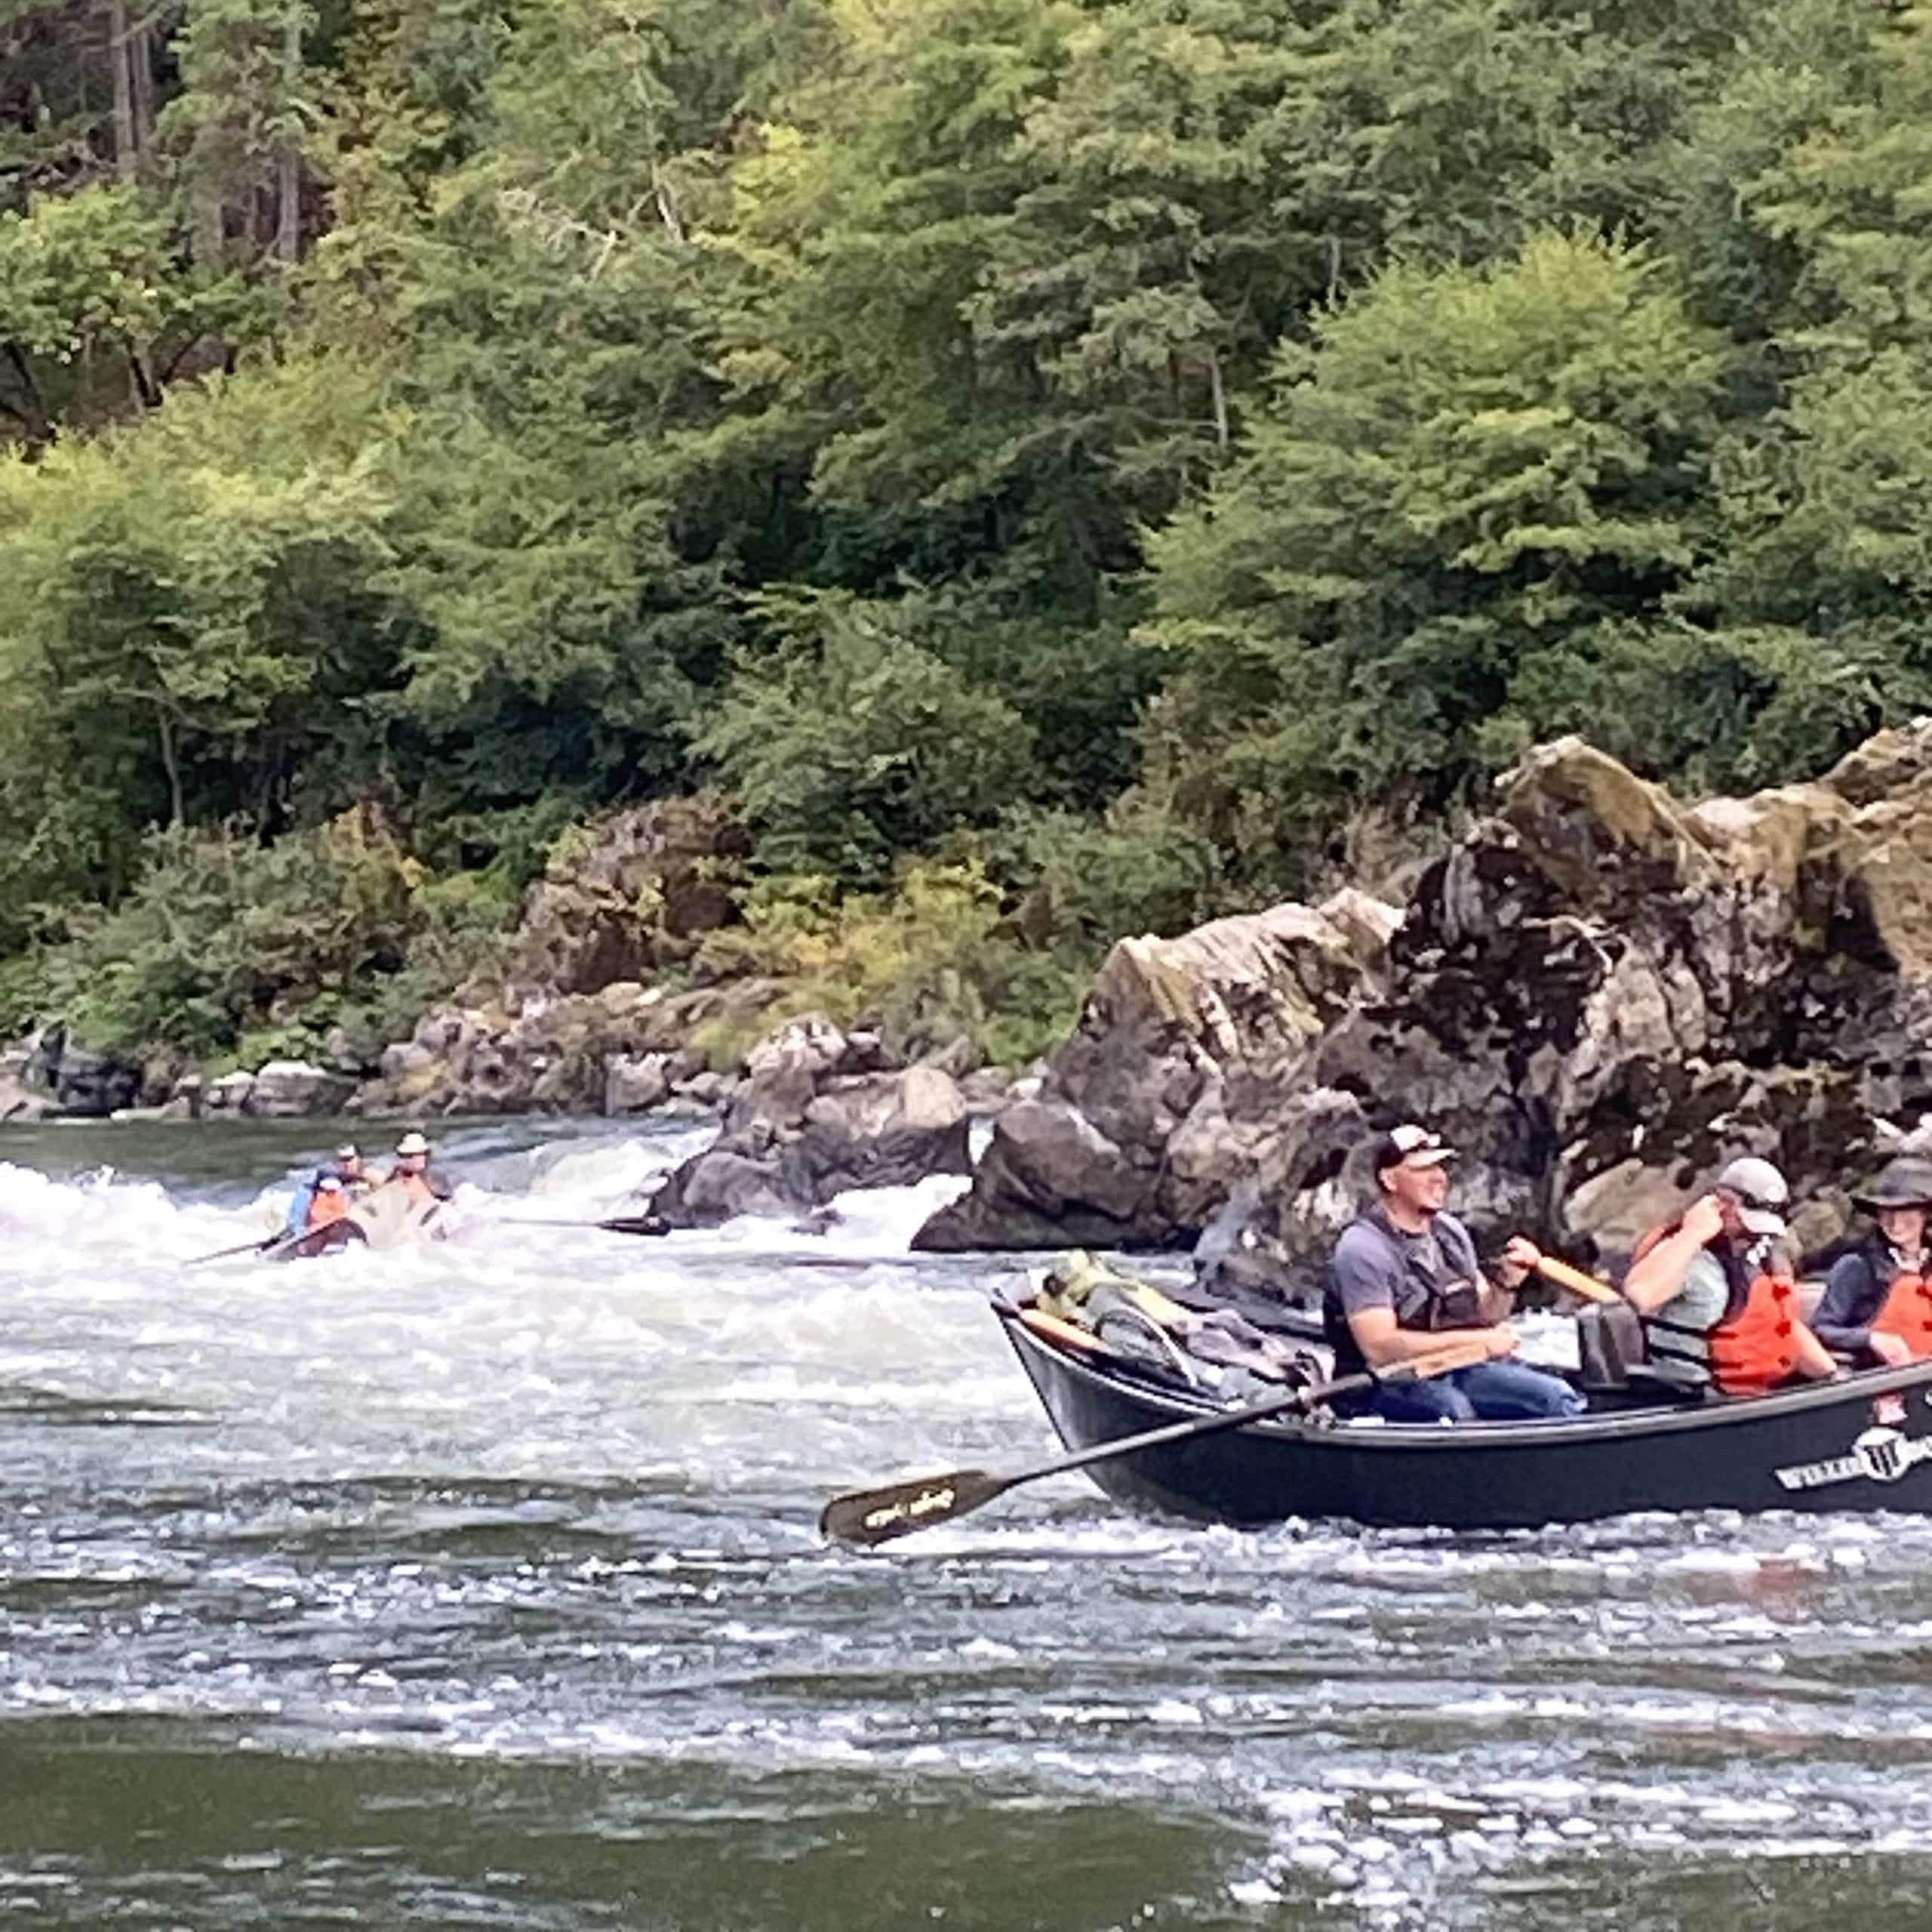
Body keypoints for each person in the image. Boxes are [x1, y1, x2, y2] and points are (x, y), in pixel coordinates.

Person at [1323, 1124, 1586, 1421]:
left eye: (1439, 1166)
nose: (1439, 1177)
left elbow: (1485, 1315)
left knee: (1555, 1397)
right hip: (1381, 1385)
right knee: (1454, 1412)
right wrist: (1479, 1343)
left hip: (1457, 1369)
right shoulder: (1362, 1248)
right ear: (1389, 1179)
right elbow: (1380, 1347)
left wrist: (1507, 1282)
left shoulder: (1451, 1232)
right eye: (1423, 1169)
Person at [1620, 1155, 1841, 1395]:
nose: (1753, 1235)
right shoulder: (1685, 1255)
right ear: (1722, 1204)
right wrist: (1693, 1232)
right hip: (1694, 1398)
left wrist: (1833, 1378)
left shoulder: (1761, 1256)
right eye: (1747, 1223)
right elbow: (1640, 1292)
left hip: (1753, 1394)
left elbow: (1783, 1327)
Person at [1811, 1155, 1932, 1366]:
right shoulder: (1856, 1266)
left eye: (1904, 1211)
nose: (1894, 1223)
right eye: (1886, 1211)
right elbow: (1820, 1330)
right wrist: (1870, 1339)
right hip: (1877, 1384)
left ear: (1925, 1213)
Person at [383, 1128, 453, 1208]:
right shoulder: (400, 1172)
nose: (405, 1160)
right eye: (403, 1156)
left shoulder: (435, 1172)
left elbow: (444, 1198)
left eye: (410, 1156)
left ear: (425, 1155)